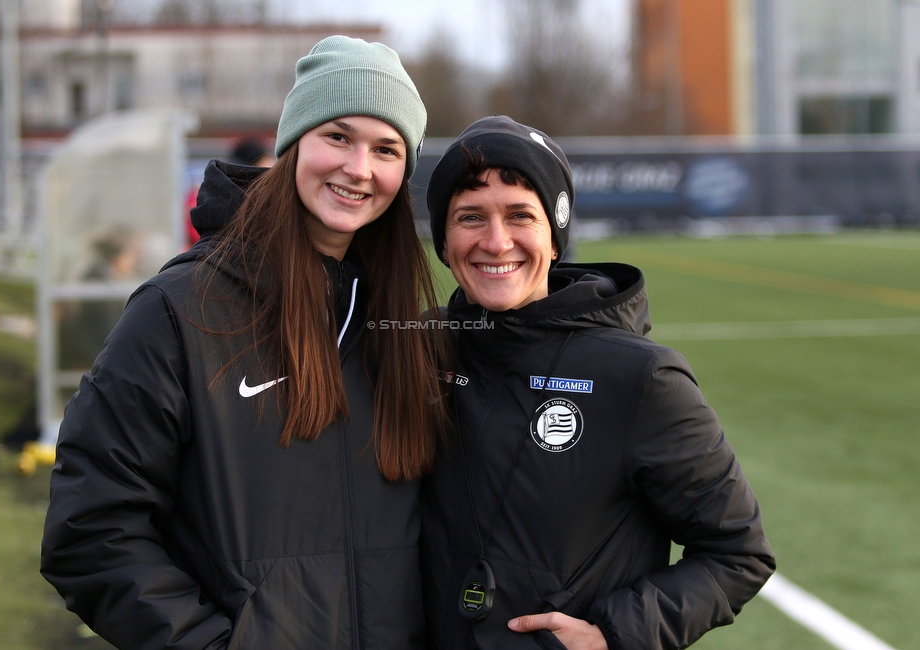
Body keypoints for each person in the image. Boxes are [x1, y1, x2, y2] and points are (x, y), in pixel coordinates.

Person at [41, 35, 444, 649]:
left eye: (385, 149)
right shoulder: (181, 311)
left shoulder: (403, 328)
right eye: (337, 136)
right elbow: (91, 527)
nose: (359, 168)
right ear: (292, 145)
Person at [420, 116, 775, 650]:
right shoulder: (413, 350)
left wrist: (613, 634)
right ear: (444, 243)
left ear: (555, 236)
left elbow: (738, 553)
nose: (496, 242)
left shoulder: (639, 377)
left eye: (521, 216)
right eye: (471, 217)